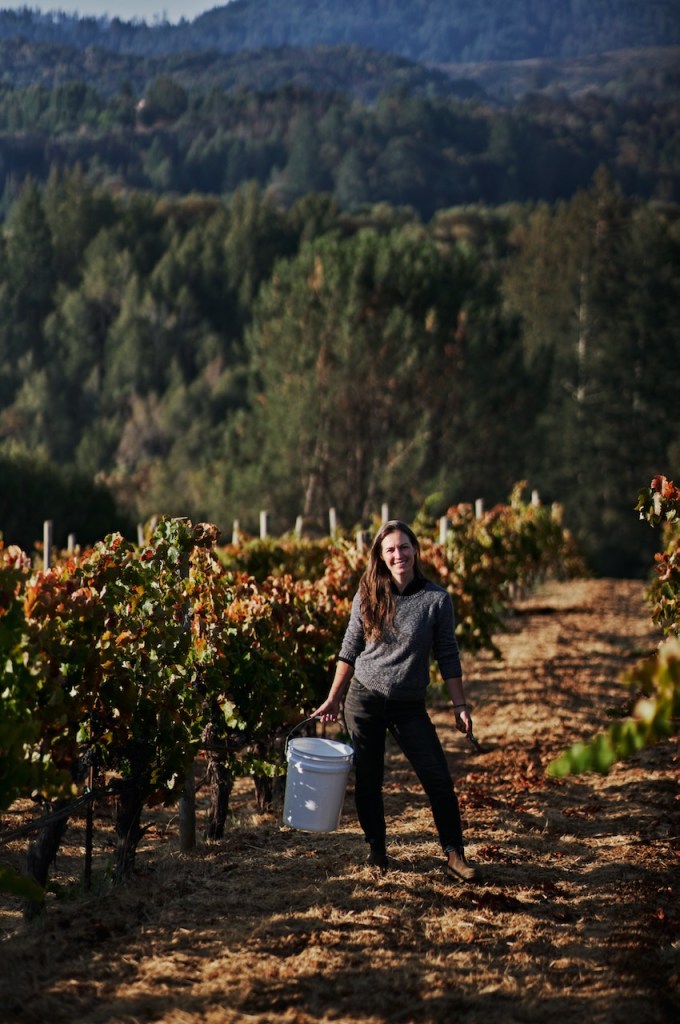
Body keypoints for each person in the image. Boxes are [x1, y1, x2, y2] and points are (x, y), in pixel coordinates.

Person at [314, 520, 478, 881]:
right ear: (381, 556)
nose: (398, 554)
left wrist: (459, 705)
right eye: (390, 549)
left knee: (437, 777)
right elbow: (349, 650)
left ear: (415, 550)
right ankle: (377, 851)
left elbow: (448, 655)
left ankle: (454, 853)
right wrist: (332, 699)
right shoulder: (368, 594)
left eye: (404, 547)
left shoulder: (436, 600)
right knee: (370, 780)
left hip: (408, 704)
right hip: (364, 699)